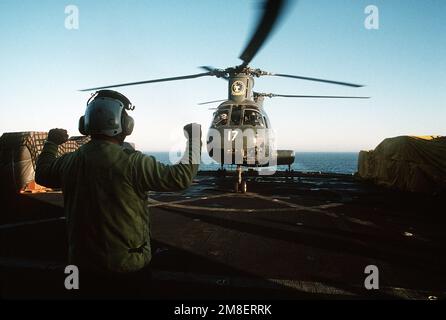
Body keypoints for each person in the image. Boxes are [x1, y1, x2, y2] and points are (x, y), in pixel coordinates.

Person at [35, 90, 201, 299]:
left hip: (80, 266)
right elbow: (181, 177)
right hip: (127, 269)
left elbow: (42, 174)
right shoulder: (133, 162)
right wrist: (195, 139)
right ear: (123, 123)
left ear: (86, 123)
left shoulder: (69, 161)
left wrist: (51, 144)